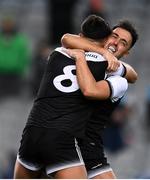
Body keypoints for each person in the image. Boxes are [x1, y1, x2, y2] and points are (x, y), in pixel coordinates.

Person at [14, 15, 121, 179]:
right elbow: (131, 74)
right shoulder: (107, 66)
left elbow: (66, 39)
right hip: (61, 138)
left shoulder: (57, 53)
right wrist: (107, 53)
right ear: (106, 39)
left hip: (31, 134)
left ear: (80, 35)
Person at [61, 19, 138, 178]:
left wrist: (120, 66)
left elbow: (132, 75)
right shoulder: (80, 53)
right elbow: (66, 38)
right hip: (63, 142)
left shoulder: (118, 76)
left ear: (126, 52)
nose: (116, 43)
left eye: (123, 43)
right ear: (105, 37)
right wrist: (102, 52)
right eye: (114, 36)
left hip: (89, 147)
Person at [0, 16, 30, 99]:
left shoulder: (20, 40)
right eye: (6, 24)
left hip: (16, 74)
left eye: (9, 24)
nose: (7, 26)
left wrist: (21, 69)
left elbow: (24, 56)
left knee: (14, 99)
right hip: (1, 74)